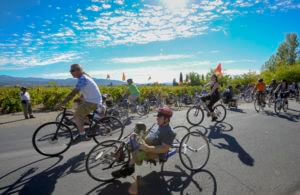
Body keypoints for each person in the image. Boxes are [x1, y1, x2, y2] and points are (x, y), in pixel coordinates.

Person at [111, 107, 176, 195]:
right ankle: (123, 156)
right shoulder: (157, 125)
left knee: (138, 152)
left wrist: (147, 147)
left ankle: (128, 168)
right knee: (134, 135)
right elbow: (148, 133)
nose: (157, 117)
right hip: (146, 145)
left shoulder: (169, 132)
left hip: (154, 154)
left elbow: (164, 149)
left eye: (159, 116)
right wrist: (138, 135)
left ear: (166, 119)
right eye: (157, 115)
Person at [55, 64, 102, 143]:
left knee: (77, 115)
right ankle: (93, 124)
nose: (70, 72)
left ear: (78, 70)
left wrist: (62, 103)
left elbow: (73, 92)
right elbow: (86, 90)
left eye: (72, 70)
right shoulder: (84, 77)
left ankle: (82, 135)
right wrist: (80, 98)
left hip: (93, 101)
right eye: (70, 71)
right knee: (79, 107)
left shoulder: (82, 78)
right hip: (92, 100)